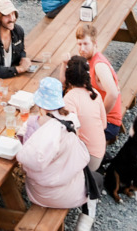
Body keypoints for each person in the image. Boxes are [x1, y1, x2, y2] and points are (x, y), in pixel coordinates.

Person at [15, 77, 91, 217]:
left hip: (41, 195)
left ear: (40, 104)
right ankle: (86, 219)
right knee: (96, 179)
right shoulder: (72, 120)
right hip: (72, 192)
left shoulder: (32, 124)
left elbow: (25, 154)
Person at [72, 28, 124, 145]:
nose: (82, 49)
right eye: (79, 44)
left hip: (109, 122)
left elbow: (113, 94)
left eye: (86, 44)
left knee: (70, 134)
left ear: (95, 44)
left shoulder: (99, 65)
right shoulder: (89, 59)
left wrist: (99, 116)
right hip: (97, 112)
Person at [62, 56, 109, 173]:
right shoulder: (95, 93)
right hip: (99, 151)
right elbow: (103, 125)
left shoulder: (70, 98)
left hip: (87, 158)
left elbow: (70, 135)